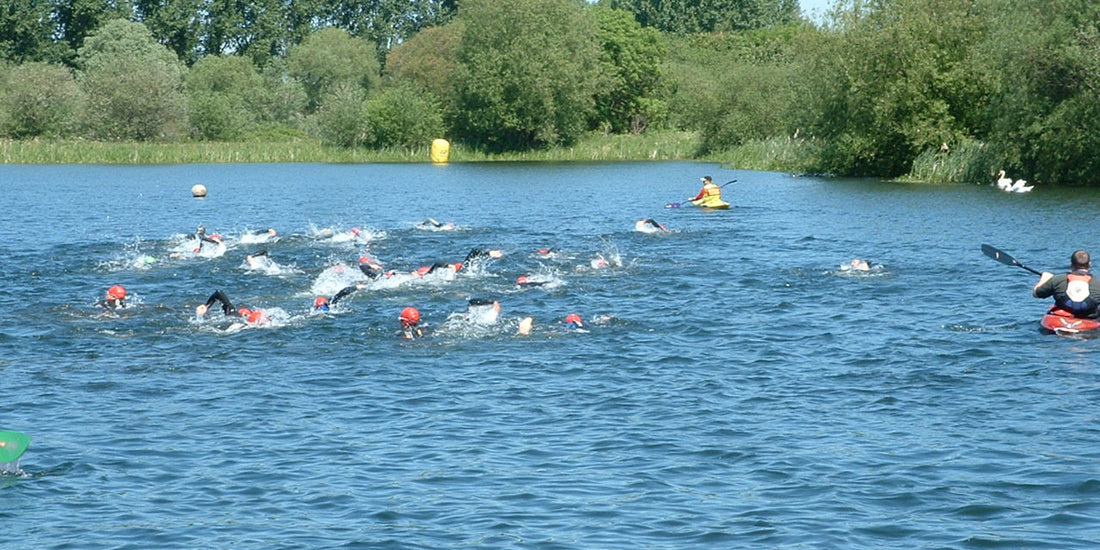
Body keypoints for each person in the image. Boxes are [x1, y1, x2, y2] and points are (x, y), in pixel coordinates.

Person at [1033, 250, 1100, 318]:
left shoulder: (1057, 279)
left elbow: (1036, 294)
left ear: (1071, 264)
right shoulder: (1098, 282)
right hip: (1089, 318)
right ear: (1089, 264)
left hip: (1062, 319)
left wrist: (1044, 279)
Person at [195, 290, 269, 325]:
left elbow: (218, 293)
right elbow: (218, 293)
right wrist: (206, 306)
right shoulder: (234, 315)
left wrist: (207, 306)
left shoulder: (232, 314)